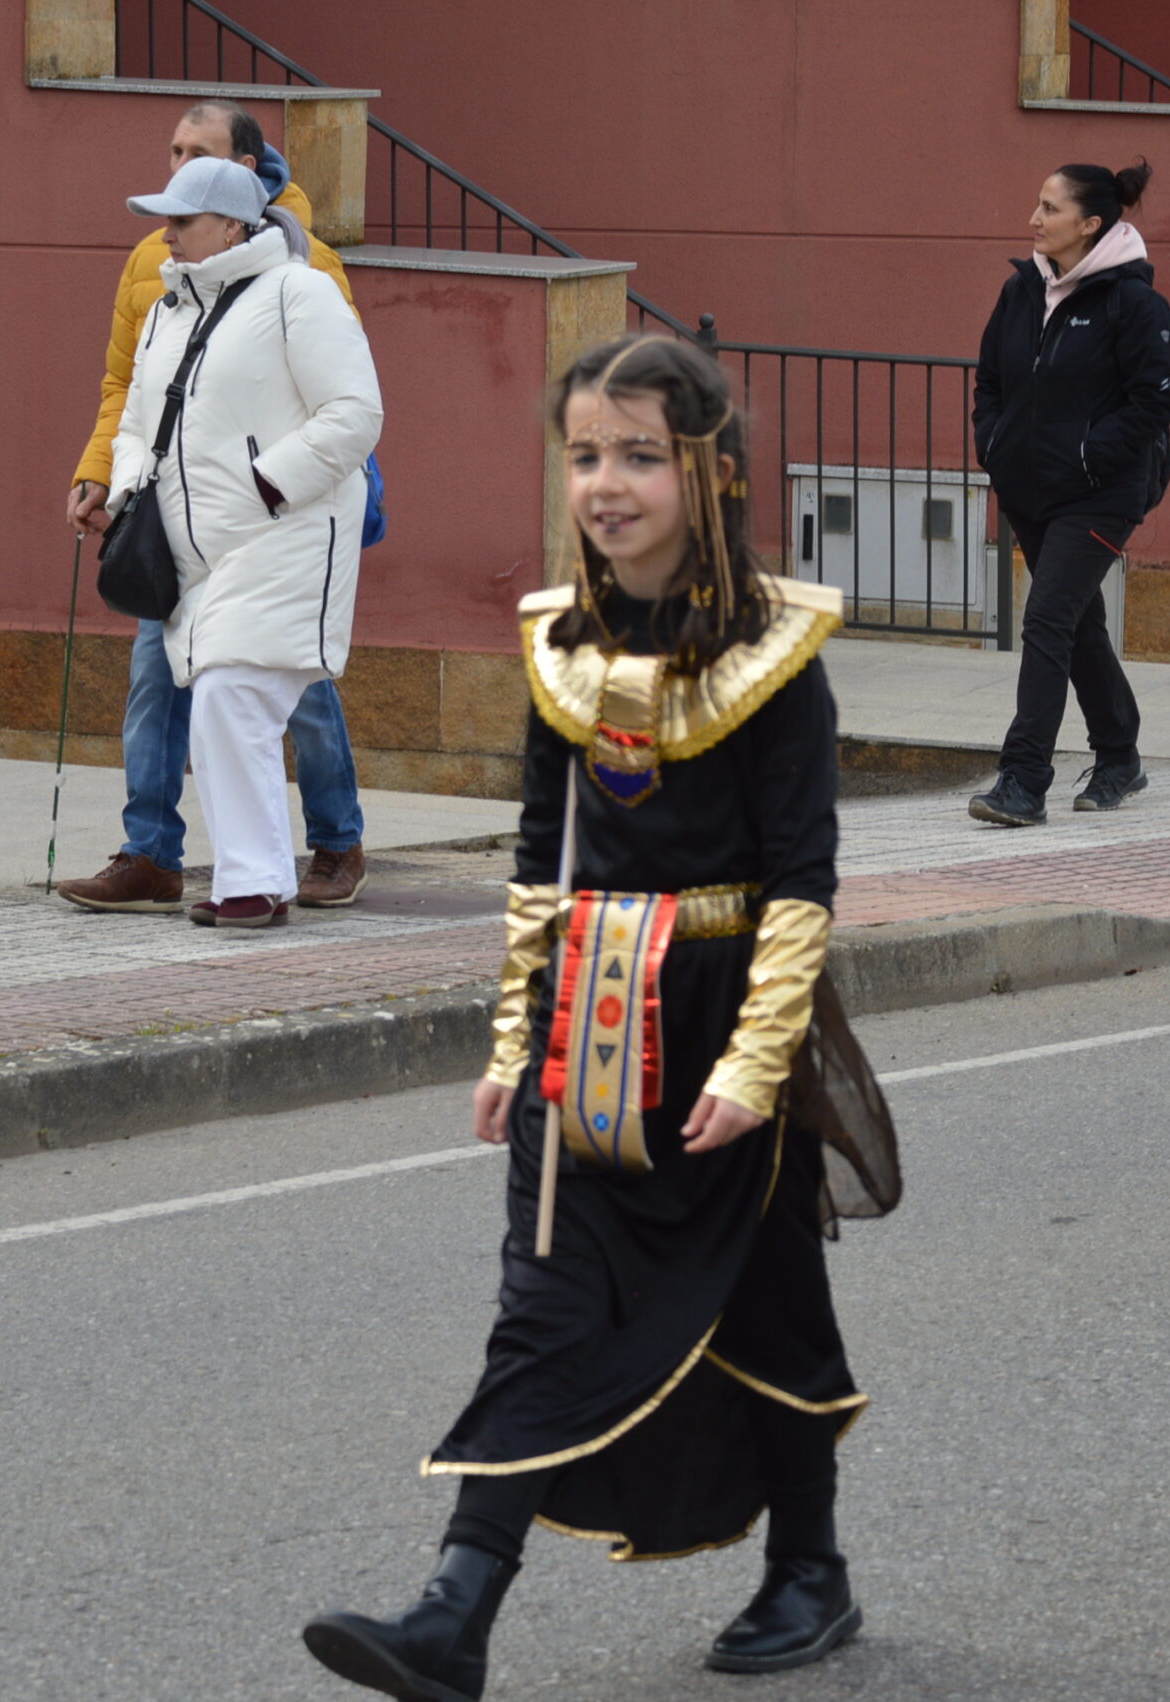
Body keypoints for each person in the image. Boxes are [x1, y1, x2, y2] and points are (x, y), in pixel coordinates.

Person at [301, 337, 898, 1699]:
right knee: (546, 1295)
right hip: (593, 1018)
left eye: (638, 455)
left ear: (705, 468)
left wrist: (757, 1066)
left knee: (769, 1297)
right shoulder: (555, 642)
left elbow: (803, 882)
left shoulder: (779, 656)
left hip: (727, 1014)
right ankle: (455, 1611)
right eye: (584, 456)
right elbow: (539, 862)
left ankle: (811, 1567)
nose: (607, 485)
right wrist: (516, 1041)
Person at [62, 100, 373, 912]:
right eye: (170, 156)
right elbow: (133, 405)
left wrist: (267, 485)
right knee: (194, 698)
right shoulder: (164, 296)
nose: (165, 227)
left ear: (236, 211)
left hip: (278, 537)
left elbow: (351, 411)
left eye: (184, 213)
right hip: (185, 543)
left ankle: (325, 848)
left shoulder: (303, 285)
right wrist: (118, 484)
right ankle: (188, 866)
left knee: (249, 696)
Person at [968, 158, 1170, 827]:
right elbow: (990, 382)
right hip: (1029, 487)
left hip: (1101, 493)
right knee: (1078, 623)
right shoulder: (1021, 292)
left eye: (1050, 209)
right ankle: (1120, 756)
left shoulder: (1135, 304)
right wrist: (994, 444)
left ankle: (1023, 781)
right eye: (1037, 204)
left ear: (1090, 224)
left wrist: (1089, 456)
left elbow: (1155, 403)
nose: (1034, 219)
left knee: (1047, 619)